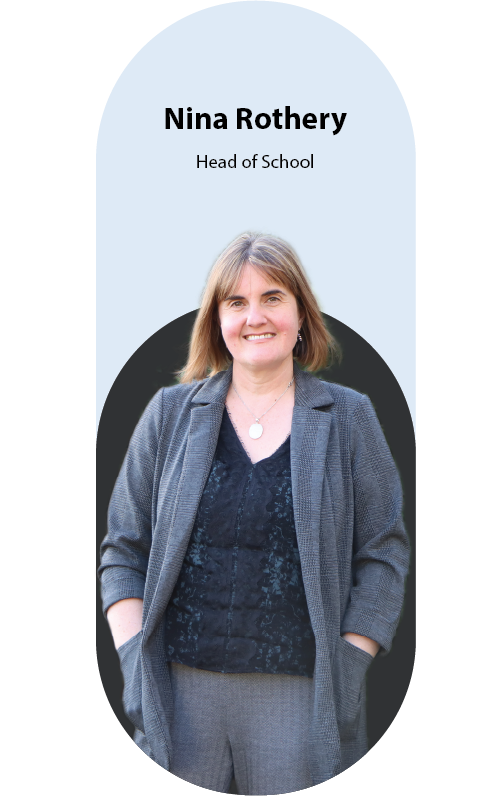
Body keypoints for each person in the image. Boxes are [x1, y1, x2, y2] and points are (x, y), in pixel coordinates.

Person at [98, 232, 409, 795]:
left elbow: (383, 553)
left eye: (272, 298)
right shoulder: (170, 414)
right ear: (216, 320)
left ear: (301, 314)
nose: (254, 317)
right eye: (236, 302)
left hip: (300, 699)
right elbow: (122, 547)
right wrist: (133, 658)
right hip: (178, 698)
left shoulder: (349, 417)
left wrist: (348, 665)